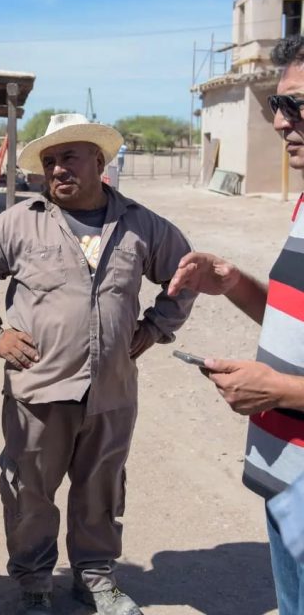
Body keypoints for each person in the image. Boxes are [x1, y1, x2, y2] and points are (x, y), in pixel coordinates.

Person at [0, 113, 196, 615]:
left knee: (101, 488)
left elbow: (185, 275)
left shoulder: (141, 224)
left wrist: (155, 326)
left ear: (99, 162)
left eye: (69, 157)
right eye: (50, 162)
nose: (58, 169)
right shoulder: (17, 222)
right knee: (30, 490)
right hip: (40, 389)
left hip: (112, 390)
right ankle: (35, 581)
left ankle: (95, 576)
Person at [167, 34, 304, 615]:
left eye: (297, 105)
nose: (280, 121)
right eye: (277, 104)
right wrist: (234, 283)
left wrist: (281, 390)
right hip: (285, 479)